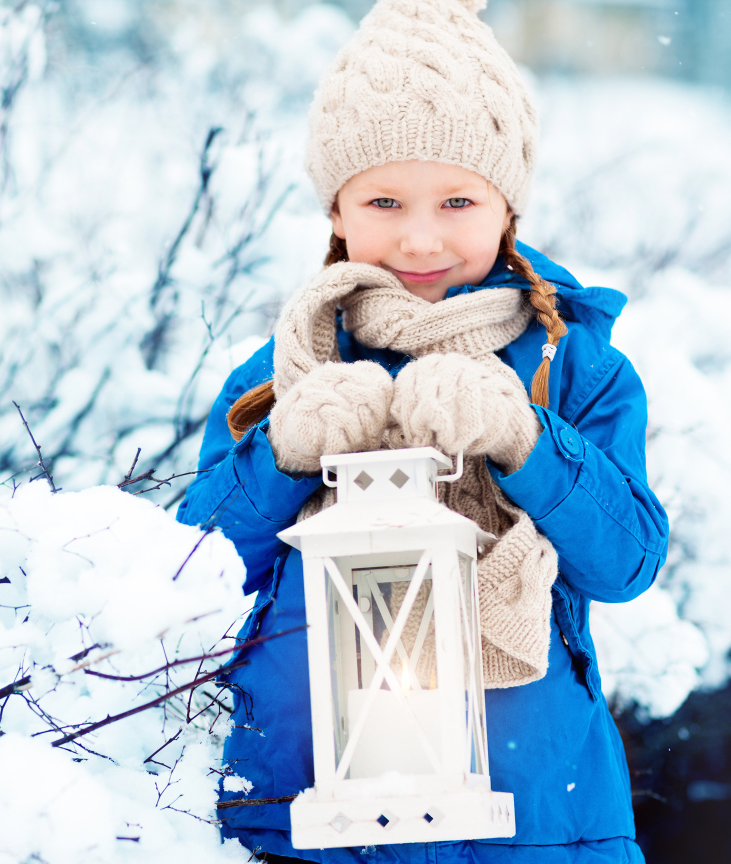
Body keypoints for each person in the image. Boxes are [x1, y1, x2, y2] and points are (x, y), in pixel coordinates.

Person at [174, 0, 669, 862]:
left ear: (507, 207)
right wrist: (283, 454)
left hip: (532, 825)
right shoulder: (281, 372)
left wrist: (525, 440)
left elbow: (626, 563)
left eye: (457, 200)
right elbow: (191, 580)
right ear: (336, 211)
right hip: (306, 823)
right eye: (384, 200)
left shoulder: (574, 365)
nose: (420, 236)